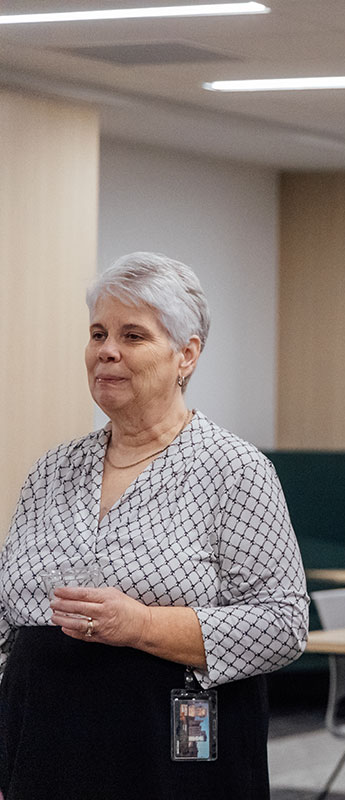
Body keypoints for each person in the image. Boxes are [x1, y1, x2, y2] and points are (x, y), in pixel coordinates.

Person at [0, 252, 308, 799]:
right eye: (98, 333)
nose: (107, 351)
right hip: (41, 748)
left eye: (133, 335)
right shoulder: (52, 469)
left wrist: (141, 624)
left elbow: (283, 626)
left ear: (186, 354)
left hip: (173, 753)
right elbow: (6, 623)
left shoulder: (234, 469)